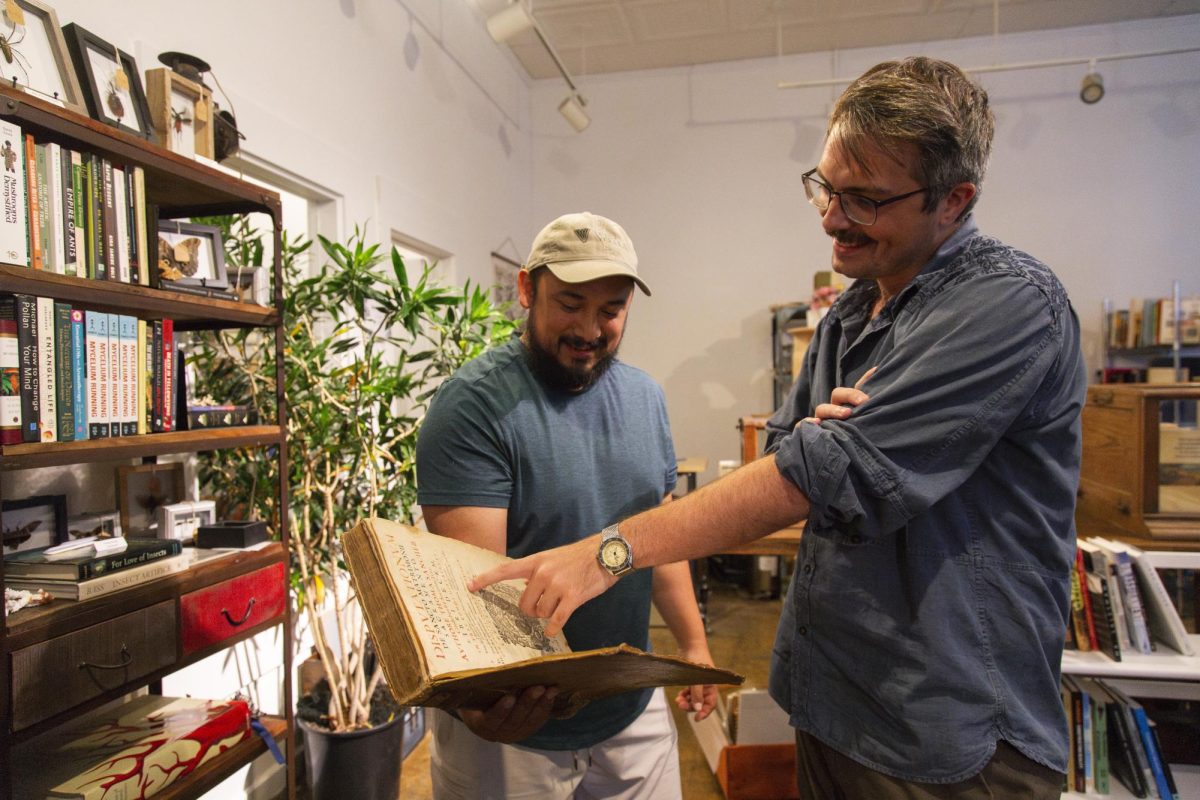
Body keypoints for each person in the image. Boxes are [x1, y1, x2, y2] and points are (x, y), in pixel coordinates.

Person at [472, 57, 1087, 798]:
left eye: (864, 199)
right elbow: (788, 456)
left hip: (943, 728)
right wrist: (815, 456)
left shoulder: (1008, 303)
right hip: (834, 701)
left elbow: (817, 474)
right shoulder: (854, 313)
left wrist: (608, 553)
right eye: (825, 187)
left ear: (953, 200)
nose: (832, 218)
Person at [415, 211, 716, 799]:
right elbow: (475, 594)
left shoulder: (645, 398)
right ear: (527, 290)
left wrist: (695, 644)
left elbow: (660, 538)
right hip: (515, 724)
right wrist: (480, 706)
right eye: (570, 303)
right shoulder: (474, 408)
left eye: (611, 309)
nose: (590, 328)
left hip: (629, 703)